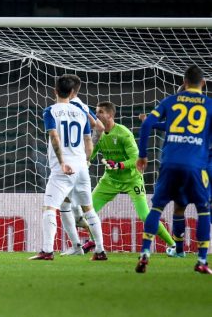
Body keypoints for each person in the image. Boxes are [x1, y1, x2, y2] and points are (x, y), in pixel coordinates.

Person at [135, 65, 212, 274]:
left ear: (184, 82)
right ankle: (202, 260)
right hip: (197, 166)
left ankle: (145, 253)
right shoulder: (209, 105)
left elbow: (147, 125)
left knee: (157, 209)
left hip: (169, 164)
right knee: (204, 210)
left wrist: (142, 155)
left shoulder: (170, 101)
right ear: (203, 83)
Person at [80, 101, 176, 255]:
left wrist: (119, 165)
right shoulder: (98, 134)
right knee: (87, 212)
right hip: (110, 180)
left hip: (132, 179)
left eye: (100, 112)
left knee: (145, 216)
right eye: (96, 112)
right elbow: (91, 152)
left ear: (110, 115)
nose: (96, 115)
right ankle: (94, 241)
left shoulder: (123, 133)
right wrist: (84, 162)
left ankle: (173, 245)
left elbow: (136, 159)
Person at [30, 74, 107, 261]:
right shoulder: (81, 111)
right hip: (81, 167)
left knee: (49, 207)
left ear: (55, 91)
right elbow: (89, 140)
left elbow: (55, 137)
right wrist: (86, 161)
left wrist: (63, 162)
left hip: (63, 169)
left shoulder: (50, 111)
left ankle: (47, 250)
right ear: (72, 92)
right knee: (88, 209)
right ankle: (100, 251)